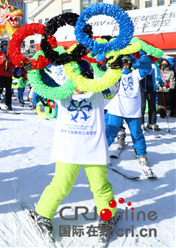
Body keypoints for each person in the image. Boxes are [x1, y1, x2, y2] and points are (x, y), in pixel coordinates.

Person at [31, 59, 121, 245]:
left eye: (83, 78)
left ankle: (108, 216)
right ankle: (42, 214)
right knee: (61, 185)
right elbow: (44, 84)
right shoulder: (62, 93)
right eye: (75, 79)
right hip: (67, 149)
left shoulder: (98, 93)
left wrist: (113, 68)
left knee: (100, 186)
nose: (79, 85)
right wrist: (34, 70)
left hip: (93, 149)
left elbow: (113, 87)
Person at [105, 55, 151, 166]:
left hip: (132, 110)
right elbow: (106, 69)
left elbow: (146, 69)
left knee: (137, 134)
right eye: (123, 63)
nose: (125, 66)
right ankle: (103, 153)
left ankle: (141, 154)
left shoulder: (135, 74)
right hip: (117, 109)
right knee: (110, 133)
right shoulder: (114, 74)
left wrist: (144, 56)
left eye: (127, 63)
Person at [139, 54, 162, 131]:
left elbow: (157, 75)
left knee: (152, 106)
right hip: (141, 88)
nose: (145, 55)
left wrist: (160, 81)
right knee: (142, 106)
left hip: (151, 87)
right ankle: (141, 123)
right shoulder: (139, 63)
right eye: (143, 54)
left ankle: (152, 123)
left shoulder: (153, 64)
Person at [0, 41, 15, 110]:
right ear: (2, 46)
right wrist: (4, 59)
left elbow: (13, 65)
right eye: (4, 46)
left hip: (8, 76)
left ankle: (8, 104)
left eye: (7, 46)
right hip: (1, 75)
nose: (6, 47)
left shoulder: (10, 54)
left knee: (8, 91)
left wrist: (10, 69)